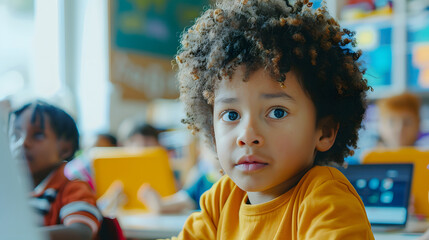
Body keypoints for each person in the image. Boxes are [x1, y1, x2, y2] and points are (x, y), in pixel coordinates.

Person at [170, 0, 374, 239]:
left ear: (324, 131)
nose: (247, 135)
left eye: (277, 112)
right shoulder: (222, 199)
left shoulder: (326, 198)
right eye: (231, 115)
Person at [8, 100, 102, 240]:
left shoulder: (73, 188)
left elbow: (81, 232)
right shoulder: (9, 190)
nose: (23, 143)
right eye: (16, 135)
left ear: (65, 148)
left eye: (38, 135)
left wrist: (21, 236)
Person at [138, 138, 222, 213]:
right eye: (209, 144)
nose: (216, 150)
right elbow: (183, 201)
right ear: (200, 150)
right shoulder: (203, 181)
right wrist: (159, 204)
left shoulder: (233, 182)